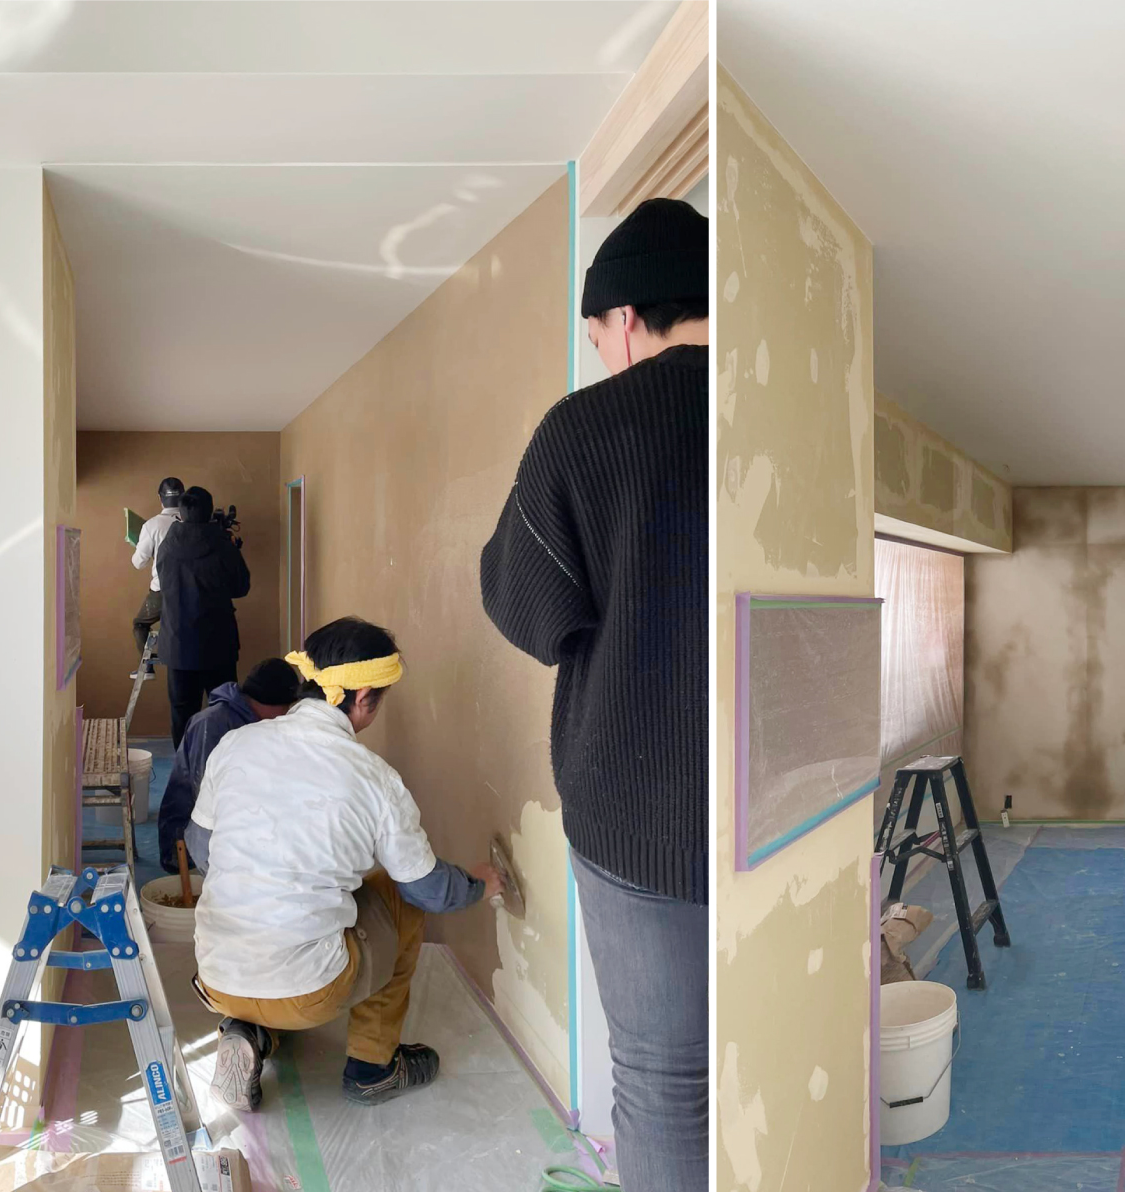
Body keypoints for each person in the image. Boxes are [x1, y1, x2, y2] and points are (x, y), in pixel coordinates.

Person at [480, 196, 708, 1190]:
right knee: (781, 1049)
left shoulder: (583, 431)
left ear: (624, 317)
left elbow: (530, 609)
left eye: (598, 338)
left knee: (665, 1080)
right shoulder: (792, 408)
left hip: (635, 812)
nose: (605, 356)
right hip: (786, 811)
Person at [185, 616, 503, 1110]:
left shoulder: (238, 743)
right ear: (364, 697)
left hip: (215, 978)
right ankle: (374, 1068)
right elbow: (427, 889)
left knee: (294, 905)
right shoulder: (375, 778)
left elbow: (201, 848)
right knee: (399, 897)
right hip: (309, 993)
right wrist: (479, 884)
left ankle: (249, 1033)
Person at [156, 657, 300, 876]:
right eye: (287, 707)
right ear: (272, 703)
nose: (286, 714)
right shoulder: (213, 725)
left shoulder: (249, 719)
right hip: (190, 839)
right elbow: (205, 797)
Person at [156, 485, 250, 748]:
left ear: (181, 513)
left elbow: (164, 584)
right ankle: (223, 766)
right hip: (217, 644)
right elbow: (241, 588)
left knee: (182, 714)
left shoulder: (167, 546)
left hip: (178, 644)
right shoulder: (223, 546)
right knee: (224, 710)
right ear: (210, 512)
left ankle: (184, 766)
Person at [129, 477, 184, 675]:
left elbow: (138, 563)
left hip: (162, 590)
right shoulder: (194, 522)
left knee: (140, 624)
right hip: (193, 590)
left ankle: (147, 667)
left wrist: (139, 544)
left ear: (160, 498)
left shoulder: (152, 526)